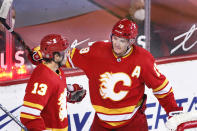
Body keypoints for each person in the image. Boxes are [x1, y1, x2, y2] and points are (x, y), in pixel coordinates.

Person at [30, 19, 183, 130]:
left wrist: (172, 110)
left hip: (133, 124)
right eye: (115, 38)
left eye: (122, 41)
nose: (117, 43)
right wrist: (43, 54)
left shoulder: (143, 59)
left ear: (131, 41)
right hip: (102, 123)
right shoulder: (97, 52)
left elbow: (161, 87)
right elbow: (65, 58)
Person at [20, 34, 86, 131]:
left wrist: (68, 96)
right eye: (64, 52)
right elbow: (29, 114)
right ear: (56, 56)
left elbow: (51, 96)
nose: (68, 54)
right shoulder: (42, 77)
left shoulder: (58, 71)